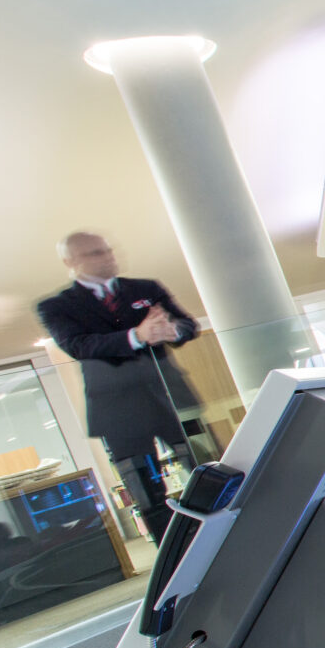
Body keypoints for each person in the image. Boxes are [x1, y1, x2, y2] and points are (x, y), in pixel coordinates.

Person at [36, 232, 200, 542]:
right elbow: (78, 346)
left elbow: (189, 325)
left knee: (206, 467)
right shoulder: (56, 306)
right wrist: (137, 336)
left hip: (170, 396)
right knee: (147, 493)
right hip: (116, 411)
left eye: (108, 250)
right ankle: (175, 554)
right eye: (95, 253)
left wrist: (172, 330)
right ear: (70, 262)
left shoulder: (146, 288)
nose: (107, 257)